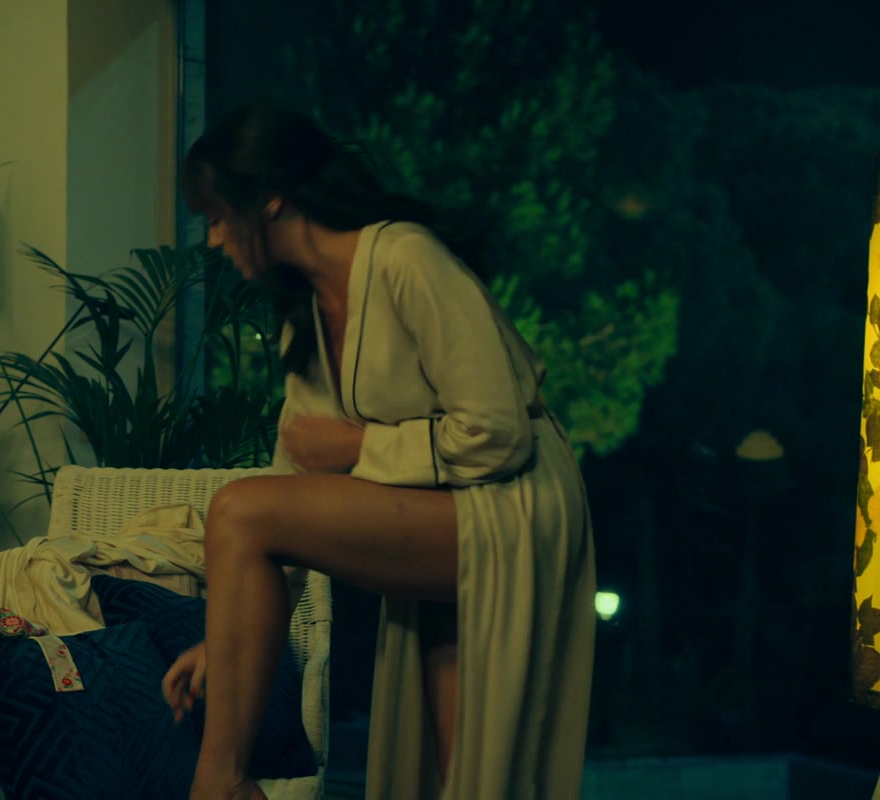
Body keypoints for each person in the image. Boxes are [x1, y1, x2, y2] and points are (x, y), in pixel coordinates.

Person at [159, 102, 598, 800]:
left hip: (512, 500)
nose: (212, 239)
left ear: (268, 199)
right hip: (440, 504)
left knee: (238, 509)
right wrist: (227, 646)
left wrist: (359, 444)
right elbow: (294, 481)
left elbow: (498, 432)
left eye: (216, 216)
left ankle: (220, 783)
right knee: (461, 773)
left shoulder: (404, 256)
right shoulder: (303, 311)